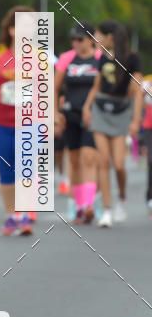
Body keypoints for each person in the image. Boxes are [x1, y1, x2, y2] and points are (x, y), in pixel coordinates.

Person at [0, 6, 35, 236]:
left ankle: (22, 216)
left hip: (29, 122)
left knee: (25, 169)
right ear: (11, 29)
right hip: (1, 122)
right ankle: (11, 215)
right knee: (6, 170)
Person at [82, 20, 143, 227]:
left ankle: (122, 196)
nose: (96, 39)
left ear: (110, 37)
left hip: (120, 111)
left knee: (118, 164)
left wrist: (136, 120)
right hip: (100, 109)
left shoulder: (132, 58)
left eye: (99, 35)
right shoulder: (102, 58)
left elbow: (138, 92)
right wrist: (86, 107)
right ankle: (106, 210)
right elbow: (96, 86)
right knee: (103, 161)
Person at [54, 23, 101, 224]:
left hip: (93, 115)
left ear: (90, 39)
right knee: (74, 160)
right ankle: (78, 205)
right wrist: (55, 112)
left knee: (88, 157)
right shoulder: (67, 58)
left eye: (80, 39)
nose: (76, 43)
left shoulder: (100, 58)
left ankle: (89, 204)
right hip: (70, 114)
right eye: (73, 39)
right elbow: (54, 88)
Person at [139, 74, 152, 215]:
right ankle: (150, 197)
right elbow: (140, 102)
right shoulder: (147, 81)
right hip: (149, 127)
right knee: (151, 162)